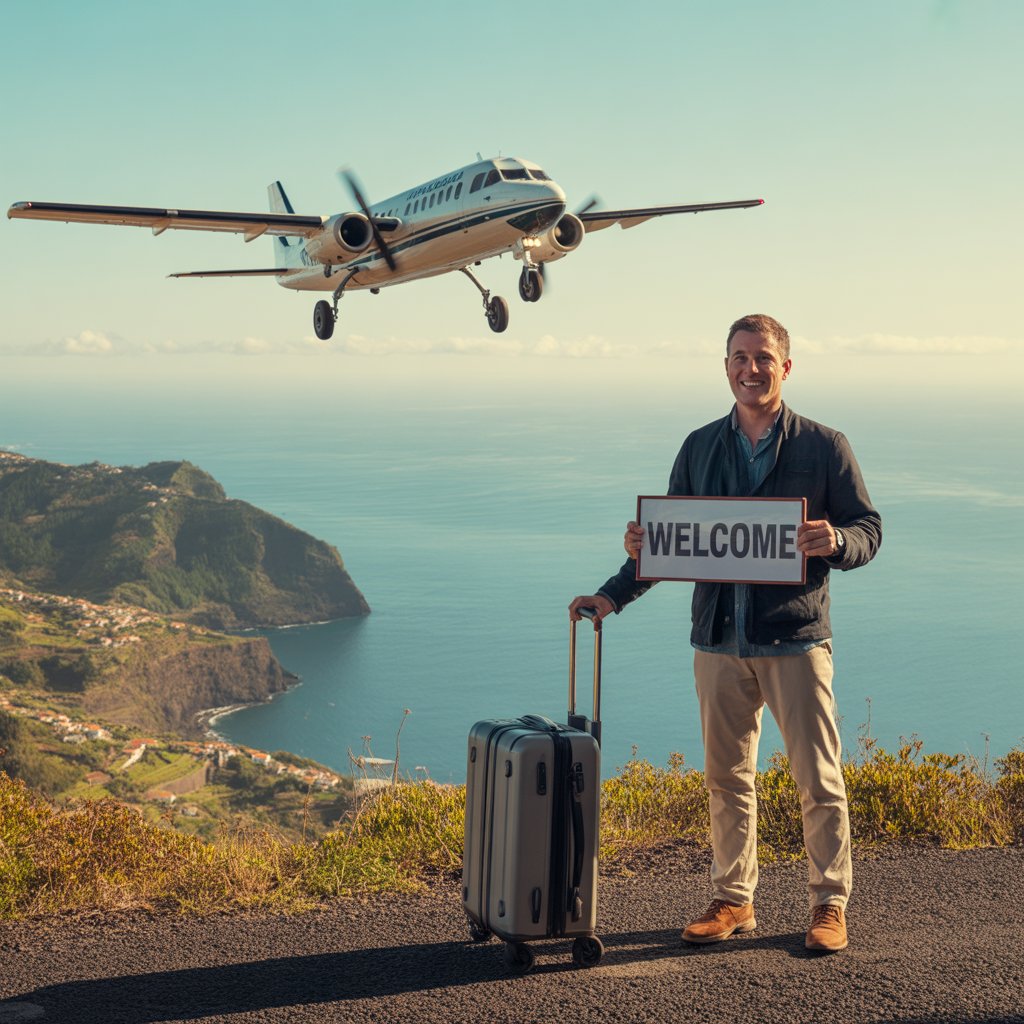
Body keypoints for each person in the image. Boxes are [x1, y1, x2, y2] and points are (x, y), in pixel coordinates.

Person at [569, 313, 881, 953]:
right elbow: (669, 545)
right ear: (726, 366)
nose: (750, 369)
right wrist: (613, 592)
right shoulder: (699, 446)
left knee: (818, 778)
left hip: (794, 639)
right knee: (727, 779)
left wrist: (839, 540)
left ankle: (829, 904)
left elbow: (868, 530)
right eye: (739, 357)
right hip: (717, 640)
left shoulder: (825, 445)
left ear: (785, 367)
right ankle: (734, 899)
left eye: (763, 358)